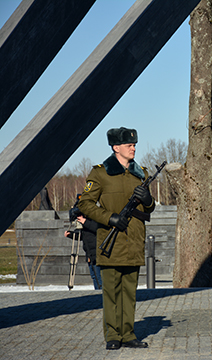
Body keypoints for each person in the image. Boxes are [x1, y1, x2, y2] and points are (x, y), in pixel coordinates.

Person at [78, 127, 155, 350]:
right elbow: (85, 204)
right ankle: (113, 335)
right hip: (110, 242)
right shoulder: (100, 173)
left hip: (133, 241)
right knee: (111, 293)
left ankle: (129, 334)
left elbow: (148, 210)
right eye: (129, 144)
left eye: (134, 144)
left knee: (129, 293)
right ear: (115, 147)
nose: (133, 147)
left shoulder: (142, 174)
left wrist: (148, 199)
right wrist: (110, 218)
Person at [64, 207, 102, 289]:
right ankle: (97, 293)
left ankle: (101, 294)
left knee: (99, 277)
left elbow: (96, 228)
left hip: (97, 253)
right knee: (94, 276)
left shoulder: (95, 218)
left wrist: (85, 221)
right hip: (89, 253)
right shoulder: (85, 225)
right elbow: (82, 236)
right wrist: (70, 234)